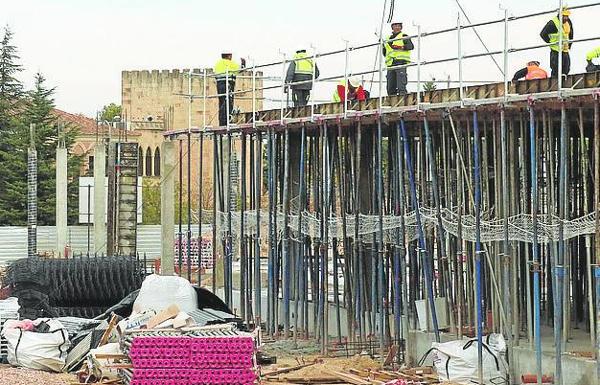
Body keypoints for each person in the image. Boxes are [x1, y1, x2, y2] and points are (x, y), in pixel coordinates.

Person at [540, 7, 573, 78]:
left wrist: (569, 45)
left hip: (565, 49)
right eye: (564, 16)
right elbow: (543, 34)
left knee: (566, 68)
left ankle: (564, 81)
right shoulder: (552, 23)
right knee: (556, 69)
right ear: (560, 15)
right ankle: (555, 83)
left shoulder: (568, 22)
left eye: (567, 16)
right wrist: (551, 42)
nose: (566, 18)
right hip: (556, 50)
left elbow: (570, 33)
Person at [382, 21, 414, 96]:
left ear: (401, 27)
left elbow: (410, 46)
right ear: (392, 27)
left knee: (401, 84)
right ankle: (391, 97)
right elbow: (384, 51)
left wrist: (401, 47)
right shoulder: (387, 38)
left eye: (399, 26)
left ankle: (402, 97)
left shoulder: (404, 36)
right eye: (395, 25)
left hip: (401, 61)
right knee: (390, 85)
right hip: (390, 63)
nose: (397, 27)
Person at [213, 53, 245, 126]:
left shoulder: (218, 64)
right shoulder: (230, 63)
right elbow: (241, 69)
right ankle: (227, 122)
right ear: (229, 56)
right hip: (228, 84)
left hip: (219, 84)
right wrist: (243, 63)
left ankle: (222, 123)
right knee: (228, 103)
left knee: (221, 103)